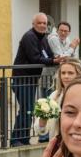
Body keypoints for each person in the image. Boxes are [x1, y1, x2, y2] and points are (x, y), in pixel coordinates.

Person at [11, 14, 57, 146]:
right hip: (22, 79)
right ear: (33, 24)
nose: (42, 25)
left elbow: (49, 55)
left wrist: (56, 59)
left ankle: (24, 139)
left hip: (31, 79)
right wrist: (53, 61)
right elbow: (35, 58)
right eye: (39, 23)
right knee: (26, 109)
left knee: (29, 110)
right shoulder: (29, 37)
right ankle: (16, 140)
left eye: (44, 23)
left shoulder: (43, 38)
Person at [37, 59, 81, 144]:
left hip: (79, 142)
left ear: (78, 75)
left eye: (70, 73)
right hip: (58, 143)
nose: (66, 76)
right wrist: (42, 118)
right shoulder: (54, 96)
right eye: (63, 73)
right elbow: (42, 130)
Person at [45, 20, 80, 93]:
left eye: (65, 31)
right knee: (49, 99)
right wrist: (72, 48)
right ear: (57, 31)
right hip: (49, 78)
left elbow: (73, 58)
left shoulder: (67, 39)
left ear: (69, 32)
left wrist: (74, 48)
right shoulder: (53, 38)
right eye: (61, 30)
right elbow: (61, 58)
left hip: (60, 77)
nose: (63, 33)